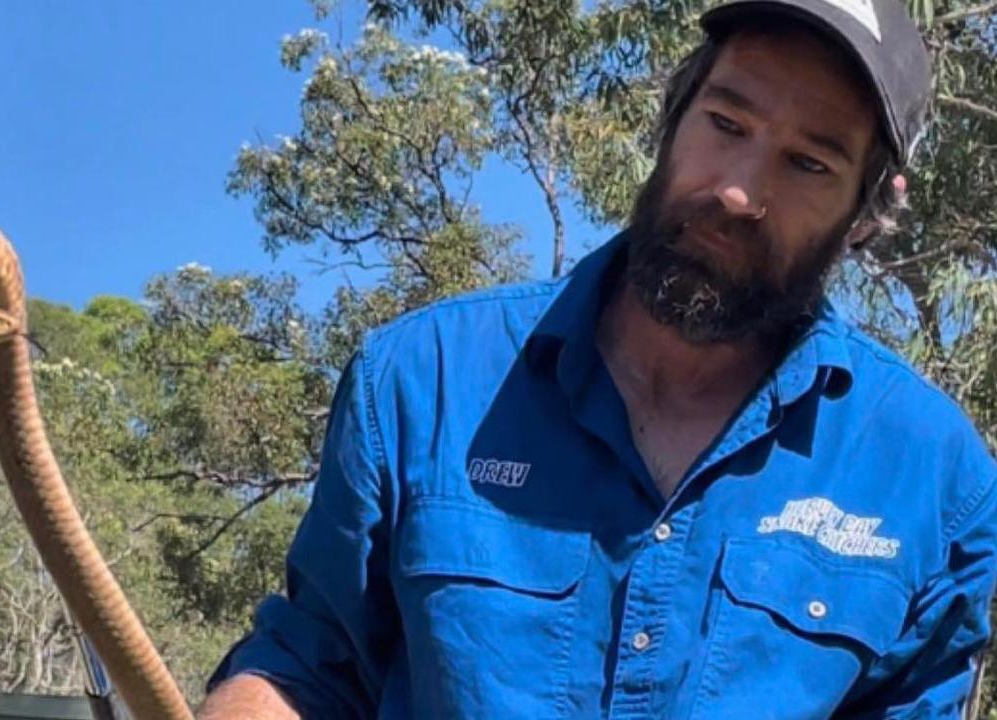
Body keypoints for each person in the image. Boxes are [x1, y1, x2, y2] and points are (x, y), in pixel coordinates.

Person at [198, 0, 997, 716]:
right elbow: (315, 667)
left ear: (866, 213)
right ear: (672, 118)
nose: (738, 192)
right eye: (726, 124)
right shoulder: (420, 380)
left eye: (809, 164)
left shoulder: (931, 477)